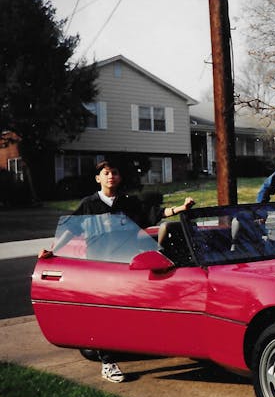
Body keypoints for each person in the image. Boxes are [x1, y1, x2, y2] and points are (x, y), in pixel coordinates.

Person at [38, 159, 195, 383]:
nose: (110, 176)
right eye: (105, 173)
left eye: (114, 172)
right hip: (101, 267)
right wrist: (52, 251)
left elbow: (155, 213)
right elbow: (70, 230)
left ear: (119, 178)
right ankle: (108, 363)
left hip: (126, 266)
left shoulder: (127, 203)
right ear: (98, 178)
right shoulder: (89, 204)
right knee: (103, 316)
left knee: (129, 311)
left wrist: (181, 208)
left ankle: (131, 347)